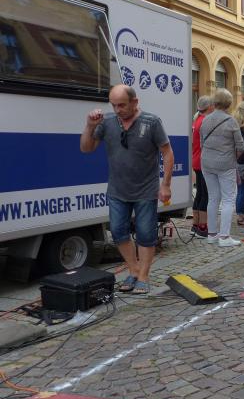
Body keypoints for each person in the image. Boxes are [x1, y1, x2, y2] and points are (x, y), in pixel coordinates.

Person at [80, 84, 173, 294]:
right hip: (117, 190)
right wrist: (89, 126)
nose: (117, 110)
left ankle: (143, 276)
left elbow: (167, 153)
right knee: (118, 231)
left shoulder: (151, 122)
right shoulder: (107, 122)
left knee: (145, 234)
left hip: (145, 190)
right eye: (113, 105)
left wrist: (166, 184)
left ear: (135, 102)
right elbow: (86, 148)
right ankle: (133, 270)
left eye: (122, 105)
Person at [199, 89, 244, 248]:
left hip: (206, 163)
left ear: (214, 102)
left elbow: (201, 143)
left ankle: (212, 234)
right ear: (229, 103)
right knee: (228, 199)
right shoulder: (231, 121)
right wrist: (233, 157)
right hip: (225, 164)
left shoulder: (205, 120)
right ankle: (224, 237)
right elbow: (241, 146)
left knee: (213, 198)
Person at [191, 96, 212, 237]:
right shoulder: (205, 121)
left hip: (196, 160)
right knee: (205, 194)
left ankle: (195, 225)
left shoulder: (197, 119)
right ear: (209, 107)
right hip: (203, 161)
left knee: (200, 193)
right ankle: (203, 227)